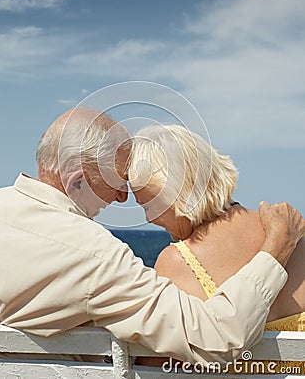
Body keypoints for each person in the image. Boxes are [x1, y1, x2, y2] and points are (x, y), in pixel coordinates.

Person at [0, 109, 304, 365]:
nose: (121, 198)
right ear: (78, 182)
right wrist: (276, 247)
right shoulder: (94, 255)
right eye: (116, 180)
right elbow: (218, 337)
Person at [128, 124, 305, 333]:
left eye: (148, 206)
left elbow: (155, 363)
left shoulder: (178, 262)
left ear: (177, 195)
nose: (148, 219)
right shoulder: (293, 234)